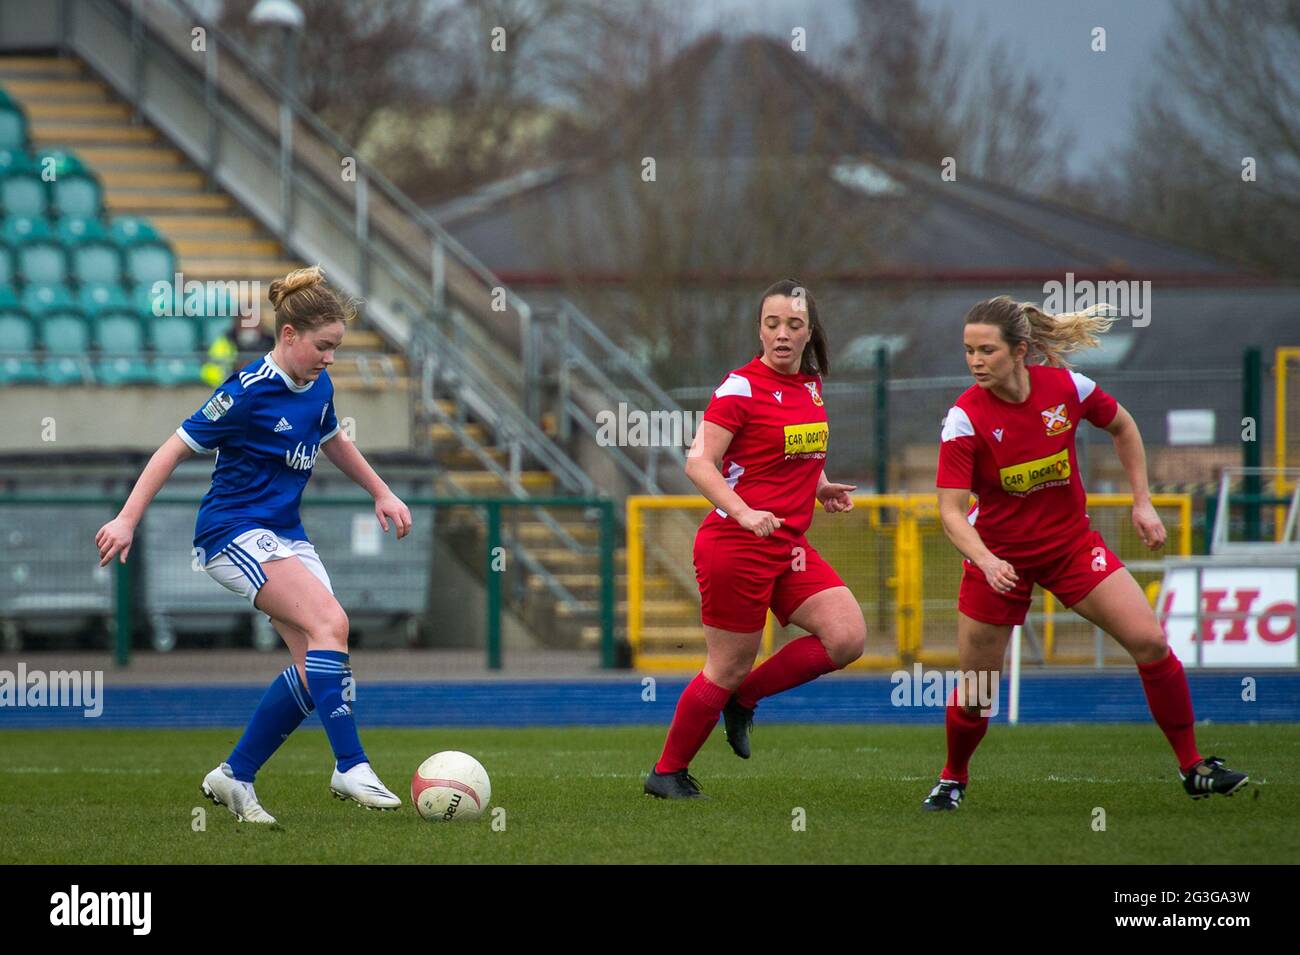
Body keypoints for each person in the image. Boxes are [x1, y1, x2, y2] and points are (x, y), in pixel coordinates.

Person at [95, 266, 414, 823]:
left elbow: (333, 439)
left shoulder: (319, 386)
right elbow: (172, 448)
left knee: (323, 670)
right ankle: (350, 765)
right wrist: (126, 519)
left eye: (336, 348)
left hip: (286, 535)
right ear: (289, 336)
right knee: (331, 626)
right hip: (231, 532)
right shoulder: (244, 393)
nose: (330, 358)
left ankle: (234, 776)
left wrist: (382, 492)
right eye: (323, 346)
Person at [924, 294, 1248, 811]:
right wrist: (985, 561)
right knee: (980, 687)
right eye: (968, 351)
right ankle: (952, 778)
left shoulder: (1067, 388)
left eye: (986, 350)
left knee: (1151, 643)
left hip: (1071, 548)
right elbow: (948, 511)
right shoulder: (964, 418)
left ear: (1021, 350)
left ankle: (1193, 768)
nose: (976, 361)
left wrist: (1142, 503)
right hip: (999, 559)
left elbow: (1123, 426)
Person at [644, 279, 865, 799]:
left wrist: (821, 485)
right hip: (735, 545)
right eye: (772, 324)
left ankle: (743, 700)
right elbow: (699, 462)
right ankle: (667, 773)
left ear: (810, 332)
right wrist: (741, 512)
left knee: (847, 637)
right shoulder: (739, 387)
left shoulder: (811, 385)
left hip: (787, 546)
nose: (782, 334)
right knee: (726, 664)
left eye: (794, 324)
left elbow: (793, 455)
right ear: (759, 329)